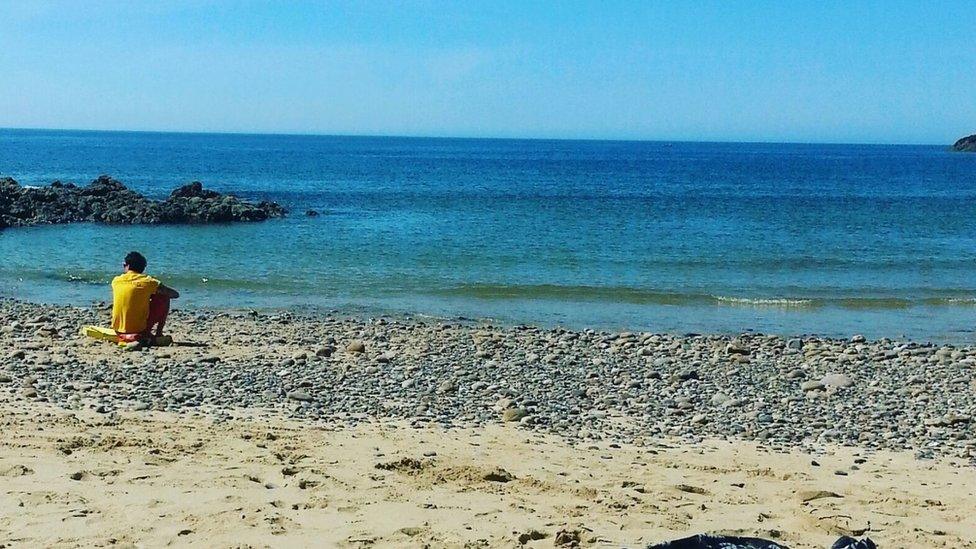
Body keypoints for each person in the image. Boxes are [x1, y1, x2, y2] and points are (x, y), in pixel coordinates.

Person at [111, 251, 179, 346]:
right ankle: (158, 333)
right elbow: (175, 294)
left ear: (127, 266)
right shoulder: (148, 281)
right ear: (143, 268)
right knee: (164, 297)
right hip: (139, 329)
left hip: (117, 329)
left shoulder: (116, 280)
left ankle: (127, 335)